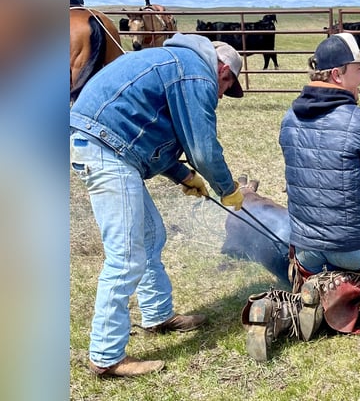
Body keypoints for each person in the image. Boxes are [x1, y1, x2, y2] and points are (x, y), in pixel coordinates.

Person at [70, 33, 246, 378]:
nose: (221, 95)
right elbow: (203, 147)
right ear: (223, 71)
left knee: (151, 237)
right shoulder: (196, 73)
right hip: (107, 149)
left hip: (107, 145)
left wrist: (183, 175)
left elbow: (146, 129)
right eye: (226, 87)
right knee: (126, 256)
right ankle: (105, 357)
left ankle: (157, 315)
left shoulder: (175, 63)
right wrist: (227, 188)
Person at [242, 33, 360, 360]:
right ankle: (346, 295)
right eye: (359, 69)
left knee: (315, 263)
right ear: (337, 74)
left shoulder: (289, 118)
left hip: (305, 249)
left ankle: (282, 306)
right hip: (351, 248)